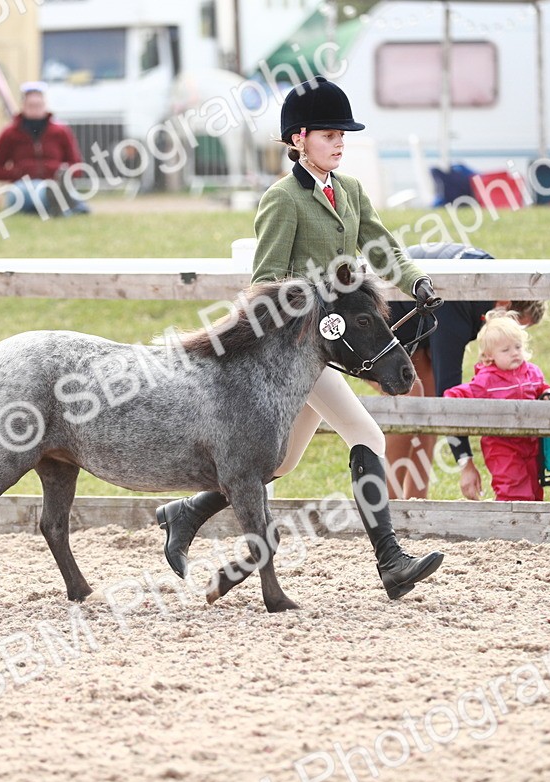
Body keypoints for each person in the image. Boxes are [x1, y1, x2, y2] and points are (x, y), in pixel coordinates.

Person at [155, 76, 445, 601]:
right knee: (368, 436)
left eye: (342, 135)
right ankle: (391, 561)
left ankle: (187, 512)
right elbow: (265, 280)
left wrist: (416, 280)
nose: (339, 143)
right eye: (329, 134)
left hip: (330, 352)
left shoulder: (351, 192)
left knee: (282, 462)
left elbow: (382, 249)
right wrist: (317, 301)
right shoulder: (283, 199)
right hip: (296, 351)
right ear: (298, 139)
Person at [382, 243, 549, 500]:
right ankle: (387, 504)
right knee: (411, 393)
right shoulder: (458, 306)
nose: (511, 343)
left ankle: (417, 500)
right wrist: (465, 463)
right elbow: (449, 391)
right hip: (377, 316)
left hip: (413, 322)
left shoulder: (491, 282)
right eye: (510, 325)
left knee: (429, 401)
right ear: (504, 302)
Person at [442, 310, 550, 501]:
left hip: (531, 443)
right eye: (506, 350)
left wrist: (547, 392)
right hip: (502, 446)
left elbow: (540, 388)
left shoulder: (532, 372)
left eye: (518, 347)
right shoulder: (486, 380)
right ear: (489, 356)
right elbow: (457, 393)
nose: (515, 353)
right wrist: (452, 400)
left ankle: (532, 524)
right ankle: (511, 524)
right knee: (513, 489)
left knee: (535, 488)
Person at [0, 81, 89, 216]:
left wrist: (57, 169)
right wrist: (18, 171)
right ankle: (61, 203)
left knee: (49, 188)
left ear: (45, 105)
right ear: (23, 106)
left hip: (52, 181)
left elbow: (77, 168)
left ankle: (58, 202)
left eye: (39, 105)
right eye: (31, 106)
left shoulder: (61, 132)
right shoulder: (10, 134)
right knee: (35, 191)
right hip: (22, 186)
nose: (35, 110)